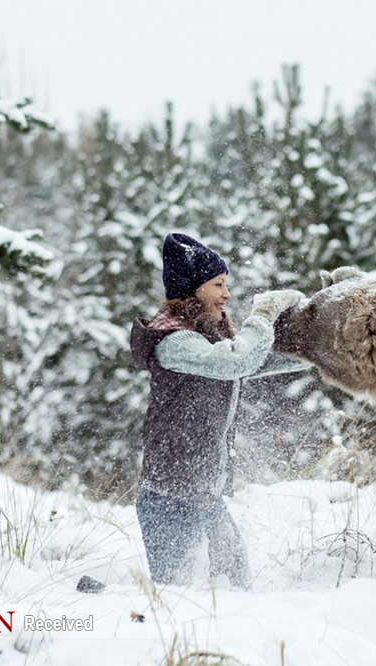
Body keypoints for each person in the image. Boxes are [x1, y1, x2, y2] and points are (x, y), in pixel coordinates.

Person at [130, 232, 309, 586]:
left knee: (235, 589)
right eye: (218, 284)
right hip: (171, 500)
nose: (226, 294)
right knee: (183, 600)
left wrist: (319, 356)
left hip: (203, 494)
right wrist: (263, 314)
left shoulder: (206, 340)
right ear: (192, 290)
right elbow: (237, 362)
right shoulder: (175, 342)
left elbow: (252, 362)